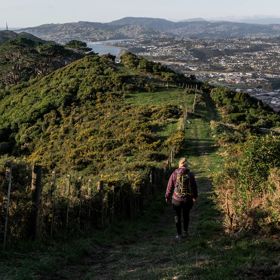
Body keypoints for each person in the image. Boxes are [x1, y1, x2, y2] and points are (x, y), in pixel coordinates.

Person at [165, 157, 198, 240]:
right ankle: (185, 232)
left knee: (177, 216)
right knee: (186, 215)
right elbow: (194, 187)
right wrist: (194, 197)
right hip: (187, 199)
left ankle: (179, 234)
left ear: (179, 165)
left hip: (176, 199)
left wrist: (167, 197)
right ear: (186, 165)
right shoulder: (190, 174)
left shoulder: (174, 173)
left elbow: (169, 186)